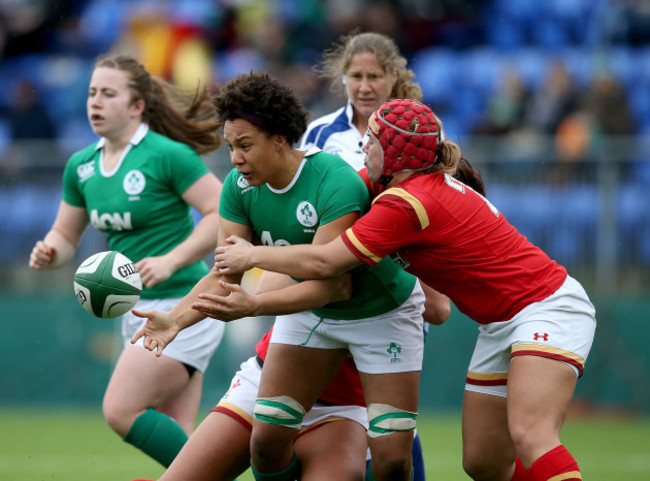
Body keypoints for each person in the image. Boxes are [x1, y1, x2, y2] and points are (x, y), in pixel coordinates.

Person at [214, 98, 598, 481]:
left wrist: (253, 256)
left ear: (396, 152)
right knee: (482, 461)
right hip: (498, 324)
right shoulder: (385, 186)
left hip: (546, 307)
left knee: (531, 436)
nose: (364, 144)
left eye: (374, 139)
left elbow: (325, 262)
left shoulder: (408, 202)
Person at [131, 72, 430, 481]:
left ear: (279, 139)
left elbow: (332, 281)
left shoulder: (334, 179)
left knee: (394, 461)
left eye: (245, 145)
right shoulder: (238, 189)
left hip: (375, 321)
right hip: (310, 320)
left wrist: (254, 300)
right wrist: (175, 321)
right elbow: (226, 273)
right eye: (231, 146)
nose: (235, 158)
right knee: (264, 443)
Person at [28, 54, 226, 467]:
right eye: (91, 93)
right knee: (178, 444)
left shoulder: (166, 155)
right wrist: (50, 251)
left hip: (184, 305)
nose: (95, 102)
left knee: (120, 411)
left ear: (137, 106)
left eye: (108, 94)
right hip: (134, 311)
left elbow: (222, 213)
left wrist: (171, 260)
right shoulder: (81, 166)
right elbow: (65, 235)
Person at [298, 31, 437, 481]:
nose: (363, 85)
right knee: (330, 401)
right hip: (340, 277)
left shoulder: (418, 128)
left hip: (396, 274)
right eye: (355, 75)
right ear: (342, 79)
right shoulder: (318, 133)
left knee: (391, 410)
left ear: (393, 77)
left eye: (373, 75)